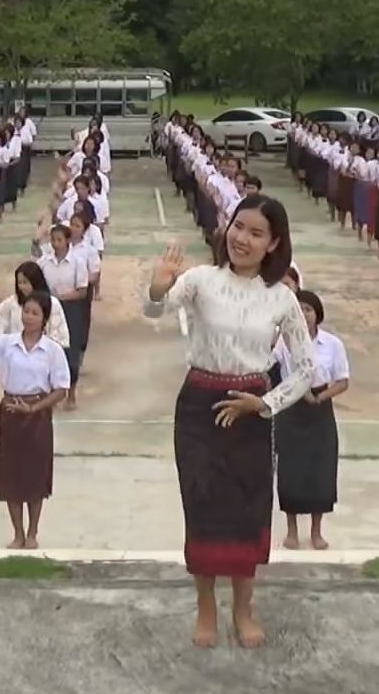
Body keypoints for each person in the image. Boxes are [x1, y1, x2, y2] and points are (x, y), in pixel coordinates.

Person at [145, 194, 320, 650]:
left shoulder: (282, 298)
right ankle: (206, 606)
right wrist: (157, 288)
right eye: (238, 227)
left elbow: (307, 368)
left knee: (247, 508)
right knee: (202, 505)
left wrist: (264, 405)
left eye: (256, 232)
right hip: (199, 406)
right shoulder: (201, 279)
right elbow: (154, 313)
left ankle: (244, 609)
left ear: (273, 243)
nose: (242, 238)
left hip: (250, 408)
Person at [0, 292, 70, 549]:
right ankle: (17, 532)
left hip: (38, 414)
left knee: (36, 475)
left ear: (44, 319)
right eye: (26, 311)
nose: (28, 317)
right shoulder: (5, 343)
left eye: (34, 313)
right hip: (10, 411)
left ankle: (32, 533)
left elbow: (61, 389)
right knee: (11, 474)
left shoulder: (52, 350)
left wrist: (34, 408)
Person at [273, 289, 350, 551]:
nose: (304, 315)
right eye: (299, 310)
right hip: (291, 407)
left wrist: (321, 396)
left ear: (318, 315)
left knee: (321, 469)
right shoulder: (284, 343)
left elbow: (342, 380)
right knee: (290, 469)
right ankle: (292, 530)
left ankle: (317, 531)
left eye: (309, 310)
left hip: (320, 407)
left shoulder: (332, 344)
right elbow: (272, 368)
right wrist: (298, 390)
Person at [37, 225, 91, 410]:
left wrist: (62, 298)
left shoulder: (77, 261)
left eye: (59, 240)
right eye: (53, 240)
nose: (56, 244)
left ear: (68, 240)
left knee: (70, 351)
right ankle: (51, 395)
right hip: (49, 309)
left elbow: (82, 291)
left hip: (71, 309)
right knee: (49, 351)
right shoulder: (45, 262)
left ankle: (71, 394)